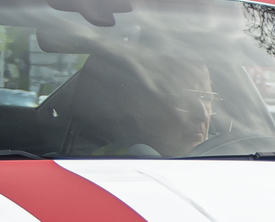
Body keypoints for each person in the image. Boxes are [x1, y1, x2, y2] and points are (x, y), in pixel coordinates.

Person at [60, 48, 216, 157]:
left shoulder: (232, 158)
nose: (202, 115)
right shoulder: (103, 167)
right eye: (184, 99)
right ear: (141, 109)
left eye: (207, 98)